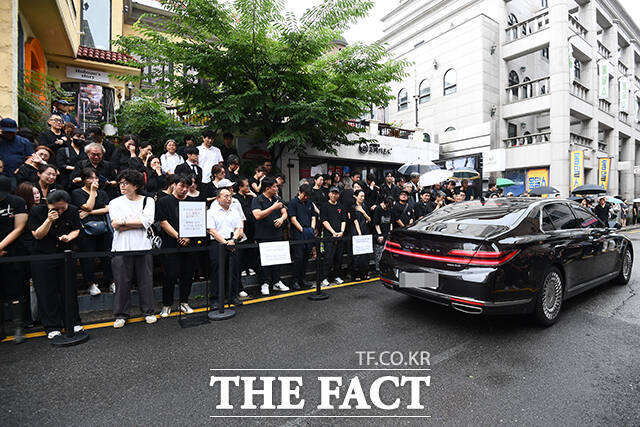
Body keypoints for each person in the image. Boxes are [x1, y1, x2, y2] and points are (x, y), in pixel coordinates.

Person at [29, 190, 83, 339]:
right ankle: (52, 326)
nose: (60, 211)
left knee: (69, 289)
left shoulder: (72, 210)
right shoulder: (36, 211)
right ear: (48, 204)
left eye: (62, 208)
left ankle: (73, 322)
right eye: (55, 208)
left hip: (65, 253)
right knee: (47, 292)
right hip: (42, 255)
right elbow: (37, 235)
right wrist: (48, 220)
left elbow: (76, 229)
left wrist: (69, 237)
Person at [108, 170, 157, 328]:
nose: (122, 186)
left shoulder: (148, 201)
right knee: (122, 282)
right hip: (121, 247)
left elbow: (147, 221)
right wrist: (136, 222)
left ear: (135, 185)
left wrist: (125, 222)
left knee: (146, 281)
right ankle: (121, 314)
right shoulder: (115, 202)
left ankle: (148, 311)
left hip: (143, 246)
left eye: (126, 183)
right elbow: (115, 225)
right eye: (121, 183)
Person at [156, 174, 197, 317]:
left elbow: (197, 223)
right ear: (174, 184)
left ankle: (184, 302)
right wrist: (179, 236)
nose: (185, 189)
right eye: (182, 186)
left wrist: (188, 236)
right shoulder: (164, 201)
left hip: (190, 244)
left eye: (187, 186)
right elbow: (163, 222)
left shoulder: (193, 202)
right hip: (170, 244)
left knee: (188, 275)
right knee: (170, 275)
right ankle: (167, 305)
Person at [71, 168, 113, 296]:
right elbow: (87, 205)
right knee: (88, 257)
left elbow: (108, 208)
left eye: (96, 178)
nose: (95, 180)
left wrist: (91, 212)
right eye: (91, 178)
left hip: (103, 227)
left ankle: (111, 281)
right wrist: (92, 192)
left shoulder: (102, 193)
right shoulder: (77, 193)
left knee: (107, 255)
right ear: (84, 180)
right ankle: (91, 283)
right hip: (85, 229)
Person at [0, 176, 29, 343]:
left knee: (14, 290)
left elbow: (19, 228)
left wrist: (1, 246)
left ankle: (19, 326)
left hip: (12, 250)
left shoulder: (16, 202)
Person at [251, 176, 289, 295]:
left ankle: (277, 281)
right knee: (265, 261)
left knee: (278, 259)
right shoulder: (258, 200)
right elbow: (257, 215)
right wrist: (273, 208)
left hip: (277, 234)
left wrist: (282, 219)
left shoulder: (277, 198)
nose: (277, 188)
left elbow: (285, 212)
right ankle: (264, 283)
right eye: (274, 186)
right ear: (267, 188)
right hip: (263, 235)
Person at [207, 187, 244, 307]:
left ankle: (233, 296)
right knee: (217, 271)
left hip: (232, 242)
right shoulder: (211, 212)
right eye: (225, 196)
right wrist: (225, 242)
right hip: (218, 243)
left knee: (233, 271)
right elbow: (211, 231)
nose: (229, 199)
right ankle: (215, 299)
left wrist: (233, 240)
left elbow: (238, 227)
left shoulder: (234, 211)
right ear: (218, 198)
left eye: (230, 196)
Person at [288, 184, 316, 290]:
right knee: (298, 258)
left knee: (305, 257)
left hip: (309, 231)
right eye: (304, 195)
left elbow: (313, 217)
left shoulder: (309, 203)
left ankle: (302, 279)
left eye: (308, 196)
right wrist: (302, 230)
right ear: (300, 192)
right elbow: (293, 219)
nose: (306, 197)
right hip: (298, 233)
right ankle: (294, 280)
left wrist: (311, 230)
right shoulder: (293, 203)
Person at [320, 187, 346, 286]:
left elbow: (344, 220)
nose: (334, 195)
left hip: (340, 236)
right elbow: (324, 221)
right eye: (332, 193)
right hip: (329, 236)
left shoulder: (341, 206)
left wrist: (342, 231)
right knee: (328, 257)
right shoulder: (325, 206)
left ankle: (336, 276)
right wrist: (333, 232)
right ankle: (324, 277)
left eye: (336, 193)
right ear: (329, 194)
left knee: (338, 257)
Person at [234, 177, 256, 282]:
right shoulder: (235, 198)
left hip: (251, 225)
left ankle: (250, 266)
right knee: (242, 248)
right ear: (240, 187)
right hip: (241, 226)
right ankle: (242, 268)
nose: (248, 187)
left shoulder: (250, 197)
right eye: (246, 186)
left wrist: (254, 195)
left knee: (251, 247)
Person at [351, 189, 372, 280]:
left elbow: (369, 219)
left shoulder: (365, 205)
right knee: (357, 254)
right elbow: (355, 221)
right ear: (356, 196)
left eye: (363, 196)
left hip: (365, 230)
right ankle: (356, 274)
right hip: (356, 231)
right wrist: (359, 234)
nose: (362, 198)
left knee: (365, 254)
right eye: (361, 196)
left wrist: (363, 211)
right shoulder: (352, 207)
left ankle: (365, 273)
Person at [372, 196, 393, 273]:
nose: (386, 208)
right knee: (378, 252)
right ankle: (378, 269)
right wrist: (379, 234)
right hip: (379, 232)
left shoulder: (389, 209)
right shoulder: (378, 209)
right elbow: (376, 224)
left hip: (386, 232)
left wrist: (390, 232)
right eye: (386, 206)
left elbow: (391, 222)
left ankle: (385, 268)